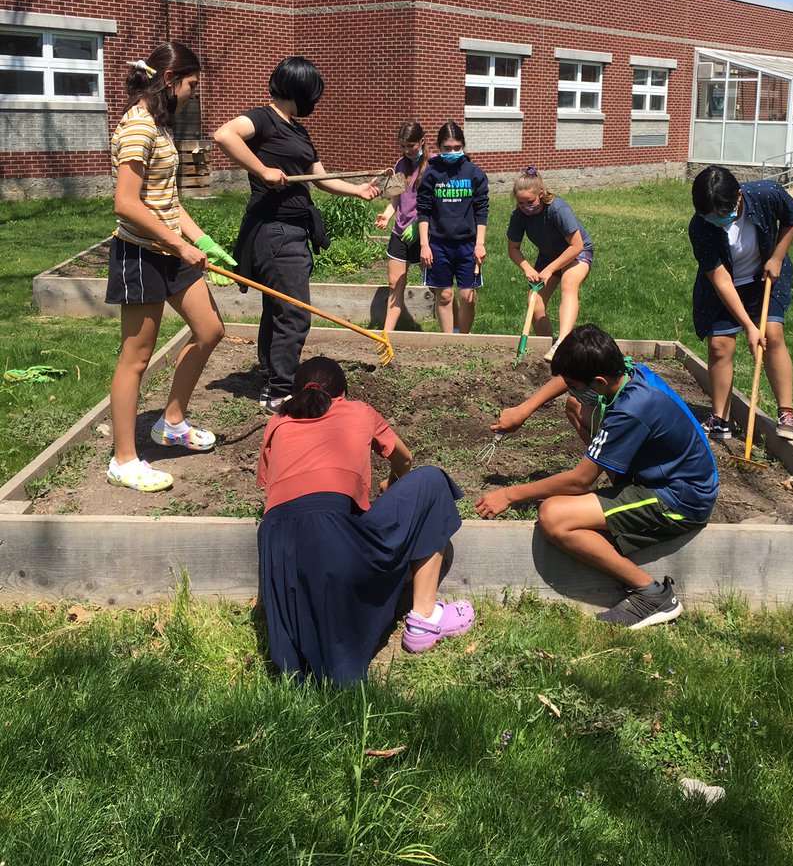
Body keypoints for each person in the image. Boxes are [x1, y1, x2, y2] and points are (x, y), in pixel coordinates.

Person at [475, 325, 717, 628]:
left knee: (554, 515)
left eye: (577, 383)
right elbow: (571, 383)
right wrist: (525, 409)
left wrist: (510, 494)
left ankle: (652, 594)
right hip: (668, 475)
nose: (572, 387)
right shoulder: (628, 371)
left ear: (598, 381)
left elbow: (579, 481)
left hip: (680, 500)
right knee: (577, 407)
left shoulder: (629, 412)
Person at [256, 356, 475, 684]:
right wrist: (394, 481)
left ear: (295, 394)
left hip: (276, 541)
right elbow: (405, 457)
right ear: (343, 393)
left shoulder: (278, 421)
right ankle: (425, 619)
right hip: (332, 532)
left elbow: (271, 488)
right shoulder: (358, 411)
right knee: (431, 481)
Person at [213, 57, 380, 414]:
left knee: (279, 309)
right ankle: (279, 391)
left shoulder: (297, 131)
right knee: (293, 312)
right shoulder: (263, 117)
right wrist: (262, 169)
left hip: (293, 230)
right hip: (273, 231)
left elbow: (319, 178)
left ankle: (270, 375)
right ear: (301, 90)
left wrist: (358, 190)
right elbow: (223, 135)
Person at [105, 42, 230, 492]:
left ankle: (171, 422)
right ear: (170, 80)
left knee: (210, 329)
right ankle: (123, 460)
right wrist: (181, 246)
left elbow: (167, 202)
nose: (194, 94)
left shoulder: (159, 125)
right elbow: (126, 204)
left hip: (170, 249)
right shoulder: (139, 128)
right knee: (135, 359)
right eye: (192, 85)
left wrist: (203, 241)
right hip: (141, 254)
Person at [689, 165, 793, 441]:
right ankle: (720, 419)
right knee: (719, 345)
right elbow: (721, 280)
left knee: (773, 334)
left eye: (723, 215)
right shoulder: (700, 226)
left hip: (764, 278)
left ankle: (787, 412)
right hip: (726, 286)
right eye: (710, 217)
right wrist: (748, 326)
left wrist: (776, 257)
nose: (719, 221)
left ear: (739, 196)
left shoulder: (767, 194)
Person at [507, 167, 594, 362]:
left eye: (530, 202)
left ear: (541, 193)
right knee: (535, 301)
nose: (526, 207)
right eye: (521, 203)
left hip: (576, 252)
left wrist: (550, 269)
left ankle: (562, 343)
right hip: (549, 255)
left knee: (568, 284)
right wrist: (528, 268)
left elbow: (577, 245)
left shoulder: (558, 209)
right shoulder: (519, 216)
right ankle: (548, 346)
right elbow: (513, 248)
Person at [416, 121, 489, 334]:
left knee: (467, 297)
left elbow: (481, 210)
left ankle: (463, 339)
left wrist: (480, 244)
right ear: (439, 148)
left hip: (468, 245)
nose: (453, 152)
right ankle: (448, 342)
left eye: (457, 148)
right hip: (438, 244)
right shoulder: (431, 174)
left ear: (463, 146)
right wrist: (424, 245)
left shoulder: (474, 173)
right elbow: (424, 211)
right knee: (445, 295)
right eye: (447, 148)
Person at [374, 121, 427, 333]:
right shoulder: (400, 164)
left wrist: (419, 225)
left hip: (424, 233)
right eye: (402, 146)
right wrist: (387, 216)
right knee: (395, 285)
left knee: (437, 286)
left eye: (411, 145)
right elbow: (396, 197)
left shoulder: (432, 164)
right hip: (400, 232)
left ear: (422, 141)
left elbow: (438, 204)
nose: (406, 150)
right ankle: (386, 336)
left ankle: (455, 332)